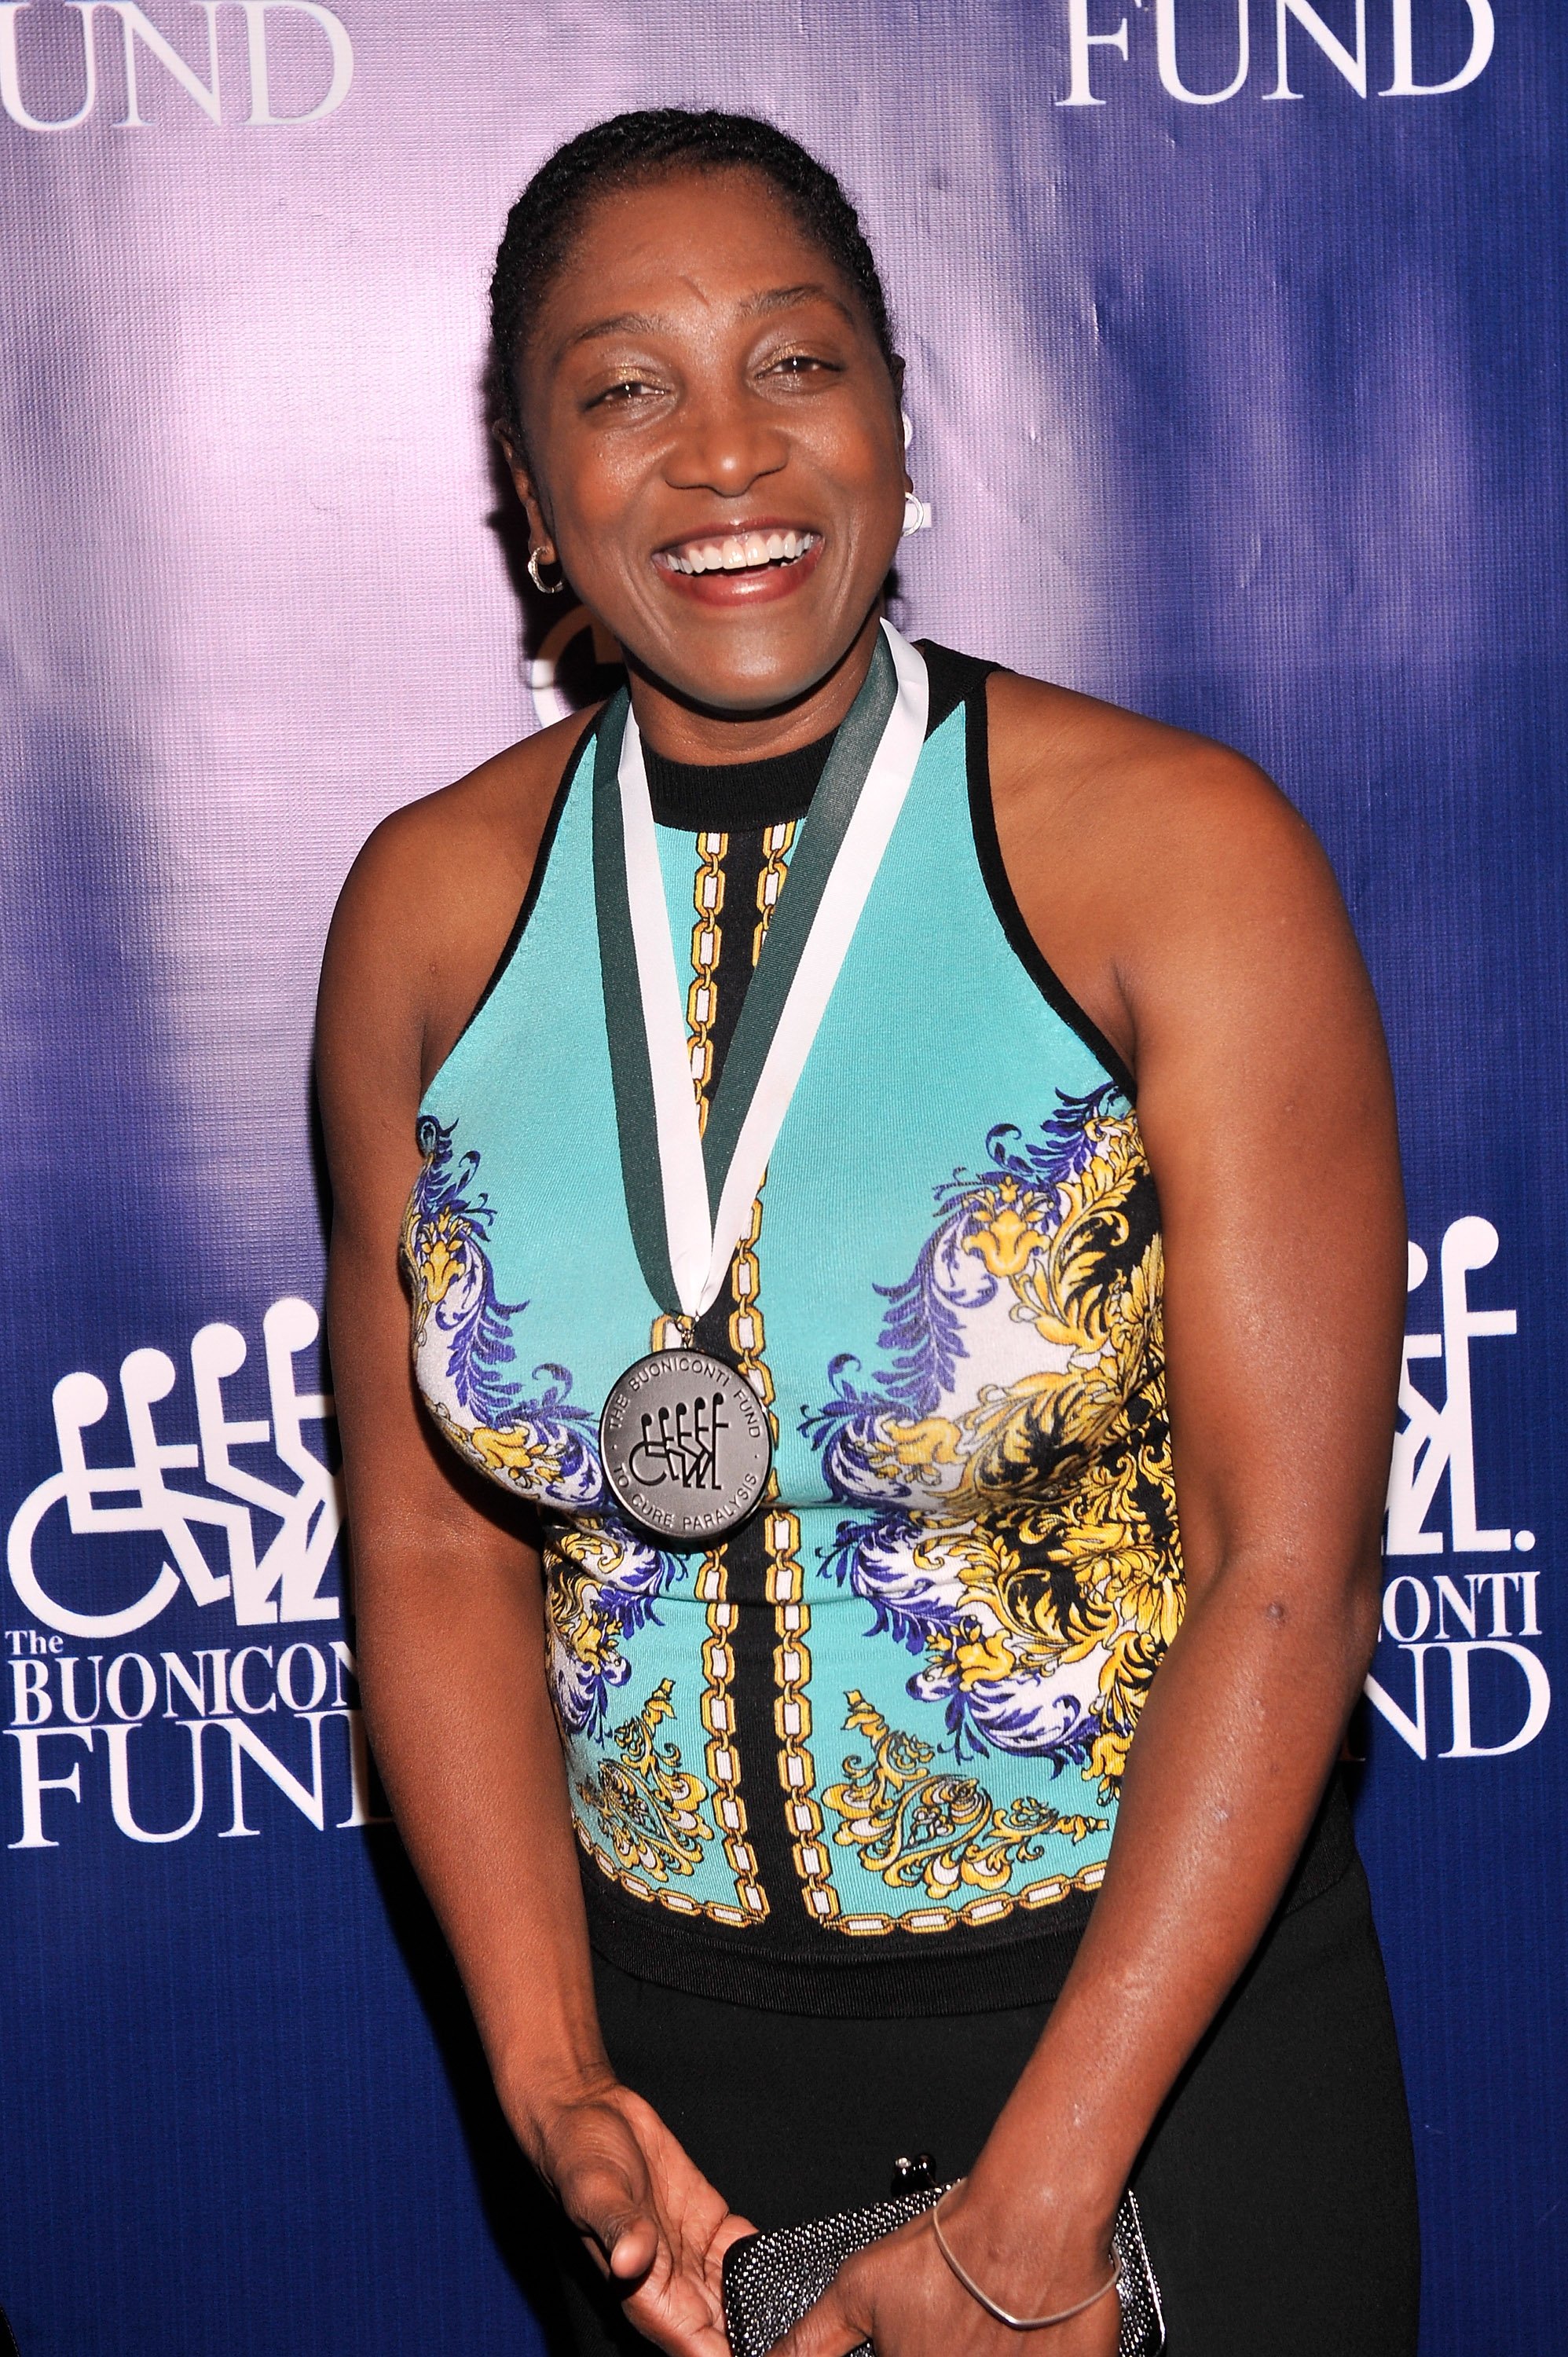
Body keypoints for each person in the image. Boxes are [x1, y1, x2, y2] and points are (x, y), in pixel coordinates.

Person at [316, 108, 1419, 2357]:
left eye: (794, 365)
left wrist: (1034, 2219)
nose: (724, 453)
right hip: (669, 2133)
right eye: (622, 389)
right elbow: (433, 1550)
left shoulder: (1176, 856)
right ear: (531, 497)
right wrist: (553, 2086)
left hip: (1150, 2071)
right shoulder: (422, 913)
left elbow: (1285, 1569)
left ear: (900, 426)